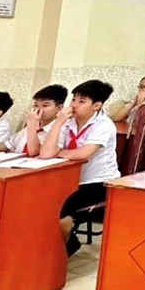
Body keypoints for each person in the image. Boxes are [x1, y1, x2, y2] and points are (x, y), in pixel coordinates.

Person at [40, 79, 119, 256]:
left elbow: (83, 154)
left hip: (97, 182)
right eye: (73, 99)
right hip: (69, 180)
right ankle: (64, 244)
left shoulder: (104, 125)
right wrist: (58, 123)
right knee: (39, 202)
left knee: (60, 208)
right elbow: (46, 154)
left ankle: (63, 249)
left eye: (81, 101)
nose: (74, 105)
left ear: (96, 105)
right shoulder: (67, 121)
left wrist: (59, 152)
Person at [0, 84, 65, 157]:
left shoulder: (60, 129)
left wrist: (31, 124)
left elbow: (34, 152)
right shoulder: (34, 125)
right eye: (36, 105)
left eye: (45, 106)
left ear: (59, 108)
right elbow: (9, 144)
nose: (38, 109)